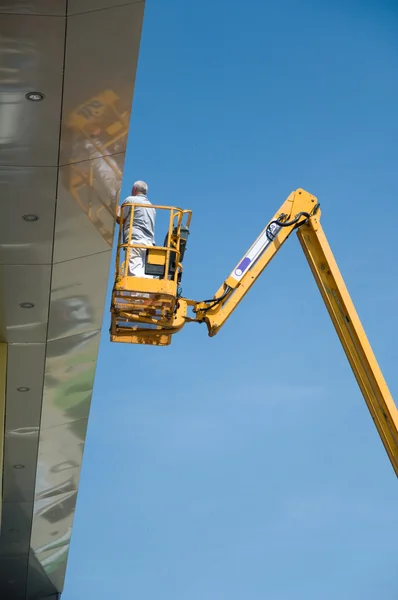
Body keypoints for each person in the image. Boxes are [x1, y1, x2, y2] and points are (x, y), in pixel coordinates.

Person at [116, 180, 155, 277]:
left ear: (134, 189)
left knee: (134, 274)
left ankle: (136, 293)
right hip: (149, 244)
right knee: (147, 275)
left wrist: (114, 207)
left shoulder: (131, 200)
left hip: (135, 241)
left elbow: (120, 218)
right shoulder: (151, 207)